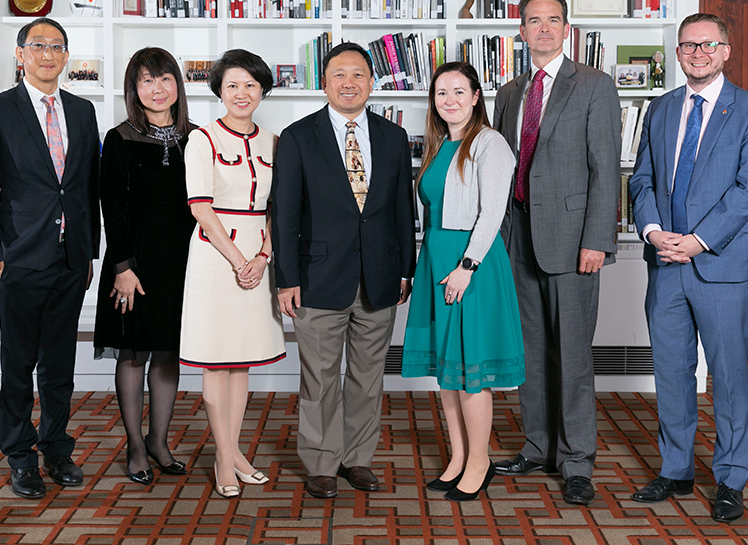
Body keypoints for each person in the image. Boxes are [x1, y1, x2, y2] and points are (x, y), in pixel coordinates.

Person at [628, 13, 748, 523]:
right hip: (665, 262)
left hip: (722, 265)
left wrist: (697, 241)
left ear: (726, 51)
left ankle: (731, 478)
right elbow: (642, 179)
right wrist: (652, 232)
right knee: (671, 373)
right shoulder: (662, 108)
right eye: (688, 46)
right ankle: (676, 469)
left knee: (728, 376)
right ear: (677, 52)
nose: (697, 53)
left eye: (707, 45)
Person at [491, 0, 621, 505]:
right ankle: (538, 445)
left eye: (553, 21)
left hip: (572, 244)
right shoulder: (509, 91)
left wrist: (597, 240)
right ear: (520, 32)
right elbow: (500, 169)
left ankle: (576, 461)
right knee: (528, 352)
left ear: (567, 29)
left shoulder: (593, 85)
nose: (542, 29)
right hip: (517, 235)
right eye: (532, 21)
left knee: (571, 353)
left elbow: (605, 169)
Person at [271, 42, 416, 500]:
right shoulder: (297, 137)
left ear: (372, 83)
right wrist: (286, 279)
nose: (349, 83)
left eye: (358, 75)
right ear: (325, 82)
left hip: (380, 277)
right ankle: (320, 462)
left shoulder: (392, 137)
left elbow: (401, 209)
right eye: (339, 75)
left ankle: (357, 459)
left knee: (368, 376)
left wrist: (406, 269)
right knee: (319, 377)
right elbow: (286, 214)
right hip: (316, 279)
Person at [0, 17, 100, 499]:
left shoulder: (83, 112)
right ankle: (20, 455)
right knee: (18, 365)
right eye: (38, 45)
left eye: (57, 46)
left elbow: (86, 189)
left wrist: (89, 251)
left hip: (71, 260)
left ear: (67, 56)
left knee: (60, 363)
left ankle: (57, 447)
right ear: (21, 53)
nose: (49, 54)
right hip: (20, 259)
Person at [401, 62, 523, 502]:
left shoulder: (490, 144)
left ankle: (480, 461)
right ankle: (458, 456)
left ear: (476, 97)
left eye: (458, 91)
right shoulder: (439, 146)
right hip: (436, 260)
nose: (449, 100)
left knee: (472, 372)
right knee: (448, 372)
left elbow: (492, 212)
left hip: (471, 263)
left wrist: (467, 267)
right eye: (440, 93)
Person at [179, 49, 287, 499]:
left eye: (249, 85)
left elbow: (280, 210)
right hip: (213, 258)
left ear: (262, 89)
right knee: (214, 360)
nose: (241, 94)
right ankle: (226, 457)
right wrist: (237, 259)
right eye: (231, 86)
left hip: (259, 258)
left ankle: (233, 450)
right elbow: (201, 207)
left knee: (240, 360)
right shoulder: (202, 138)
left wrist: (262, 256)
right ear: (219, 91)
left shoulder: (275, 141)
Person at [94, 47, 196, 485]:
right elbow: (110, 208)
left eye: (165, 78)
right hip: (132, 265)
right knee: (135, 354)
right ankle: (135, 445)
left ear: (178, 84)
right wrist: (122, 266)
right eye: (146, 81)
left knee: (168, 351)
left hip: (182, 262)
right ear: (134, 89)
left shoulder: (197, 136)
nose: (157, 89)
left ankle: (159, 440)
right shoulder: (120, 138)